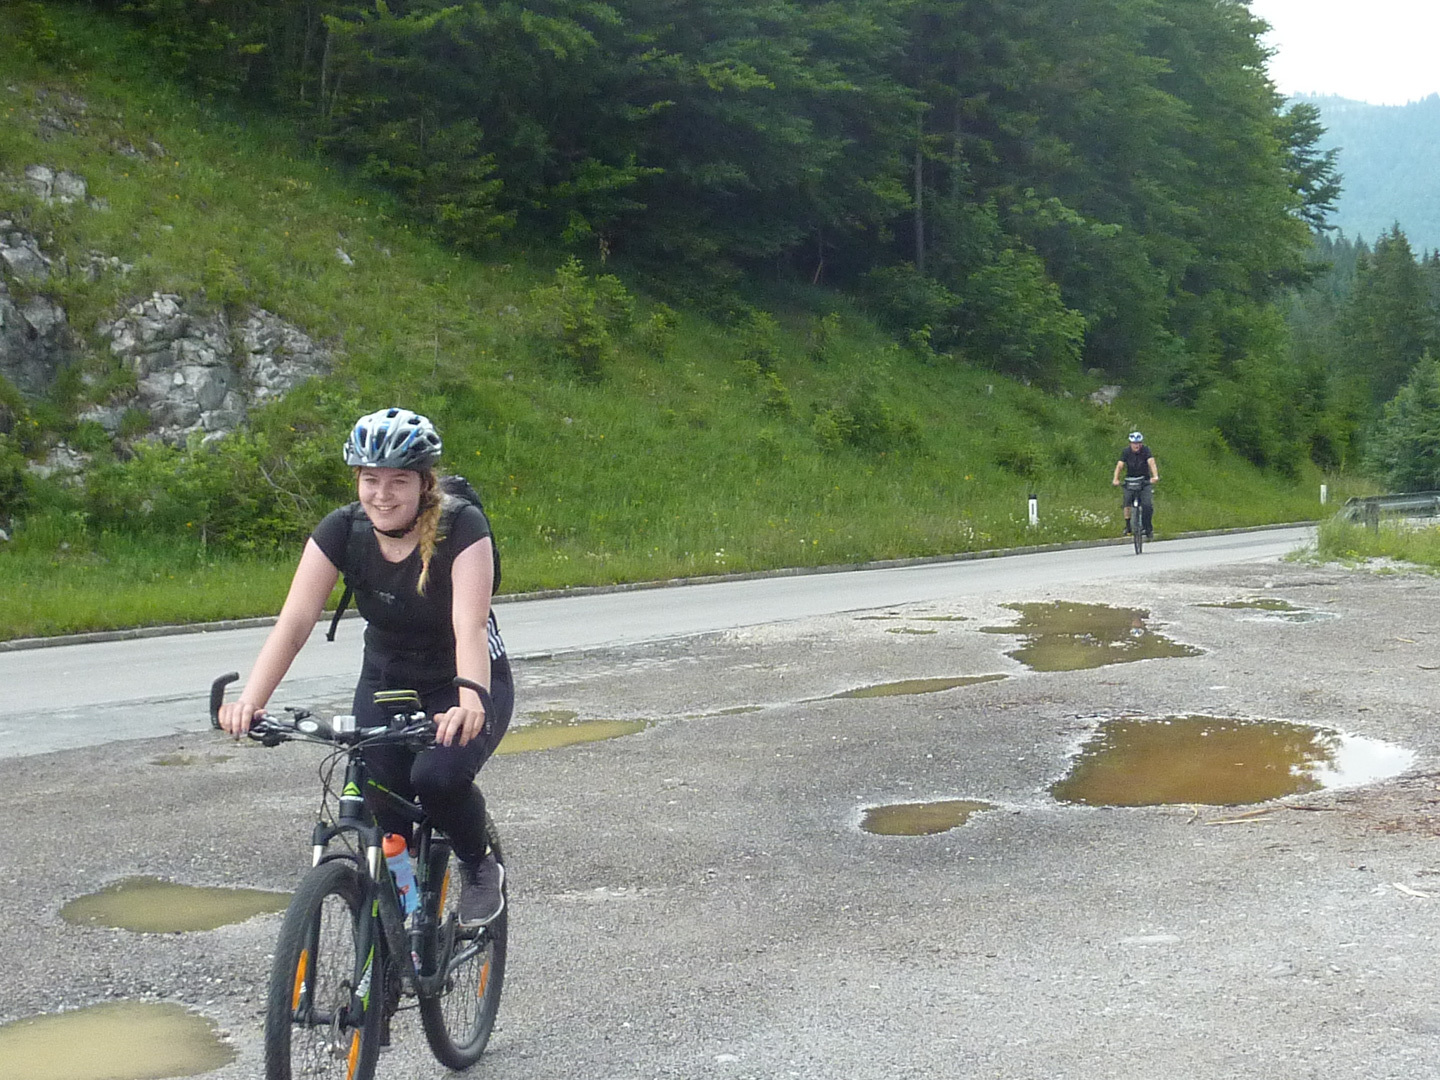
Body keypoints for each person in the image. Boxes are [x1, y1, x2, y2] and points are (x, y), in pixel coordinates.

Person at [217, 407, 512, 926]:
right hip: (386, 677)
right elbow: (295, 621)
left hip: (461, 679)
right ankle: (401, 928)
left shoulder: (462, 526)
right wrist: (251, 701)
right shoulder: (343, 529)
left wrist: (470, 703)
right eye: (370, 479)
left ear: (424, 483)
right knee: (381, 798)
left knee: (437, 779)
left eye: (398, 481)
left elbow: (469, 625)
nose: (382, 494)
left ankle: (478, 864)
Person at [1112, 430, 1159, 538]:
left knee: (1147, 505)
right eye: (1134, 443)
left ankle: (1147, 528)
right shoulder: (1126, 452)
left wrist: (1155, 476)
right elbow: (1120, 465)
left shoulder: (1146, 450)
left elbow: (1151, 462)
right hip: (1130, 480)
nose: (1136, 445)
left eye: (1138, 443)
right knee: (1127, 502)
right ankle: (1128, 526)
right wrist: (1116, 479)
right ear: (1130, 444)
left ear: (1141, 443)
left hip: (1144, 481)